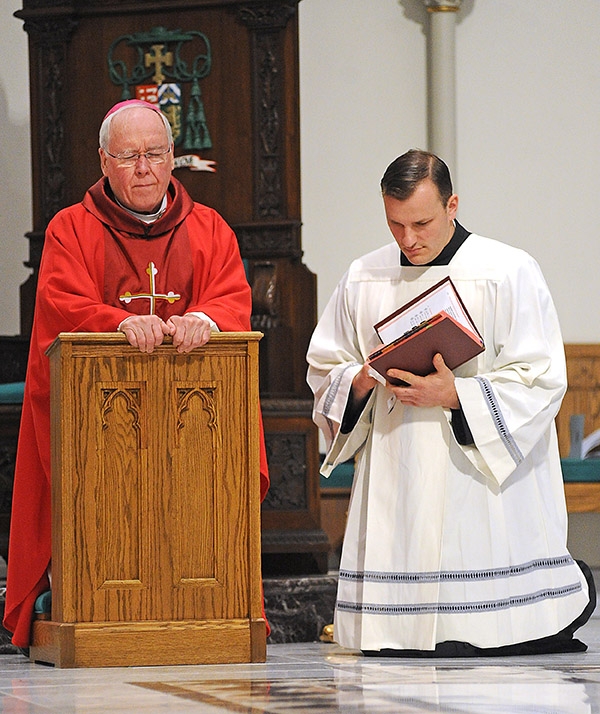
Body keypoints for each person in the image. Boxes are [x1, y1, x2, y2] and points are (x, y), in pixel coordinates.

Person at [306, 149, 595, 656]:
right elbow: (325, 367)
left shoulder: (507, 270)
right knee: (398, 644)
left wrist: (457, 395)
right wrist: (360, 381)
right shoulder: (364, 276)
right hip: (399, 467)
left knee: (486, 634)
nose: (409, 239)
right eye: (395, 225)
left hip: (478, 477)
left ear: (452, 204)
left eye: (422, 222)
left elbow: (542, 378)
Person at [3, 99, 269, 648]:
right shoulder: (70, 229)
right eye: (128, 156)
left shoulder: (209, 228)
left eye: (154, 153)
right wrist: (119, 323)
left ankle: (205, 609)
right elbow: (60, 302)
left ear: (173, 158)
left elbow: (231, 296)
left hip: (194, 422)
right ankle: (99, 610)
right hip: (101, 424)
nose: (143, 167)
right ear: (104, 161)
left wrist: (205, 319)